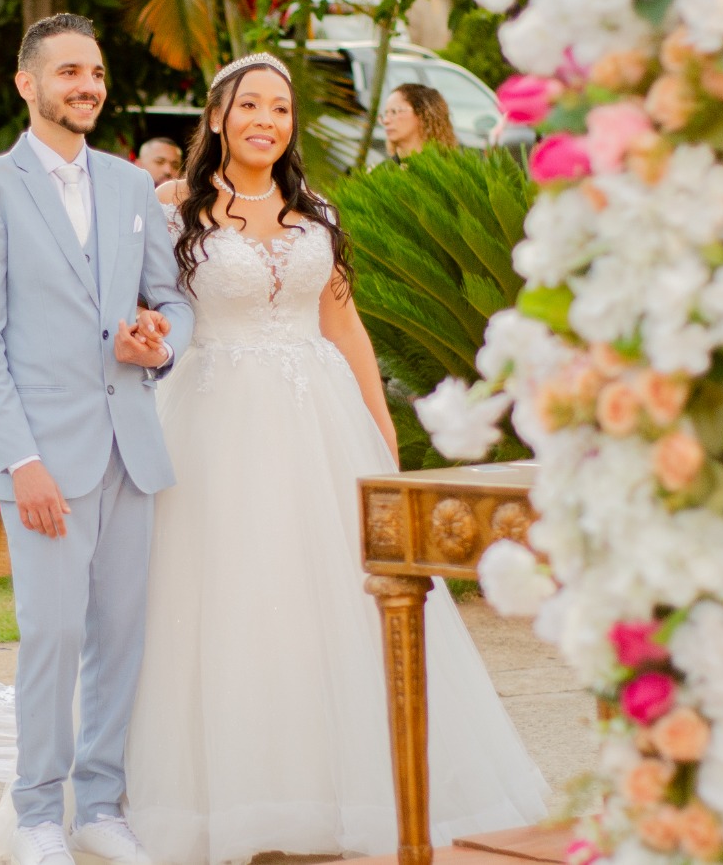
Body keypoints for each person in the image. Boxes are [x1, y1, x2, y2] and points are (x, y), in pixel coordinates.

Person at [115, 54, 547, 863]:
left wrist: (381, 427)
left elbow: (344, 326)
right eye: (250, 105)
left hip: (321, 419)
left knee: (337, 593)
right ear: (217, 118)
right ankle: (225, 796)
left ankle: (345, 786)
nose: (267, 121)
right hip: (215, 418)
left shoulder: (315, 208)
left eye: (280, 108)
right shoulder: (176, 210)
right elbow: (147, 307)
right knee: (226, 596)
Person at [0, 13, 193, 865]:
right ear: (28, 83)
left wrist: (158, 342)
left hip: (131, 445)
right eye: (68, 73)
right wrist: (22, 462)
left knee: (121, 634)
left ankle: (100, 804)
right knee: (51, 633)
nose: (86, 85)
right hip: (44, 456)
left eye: (94, 72)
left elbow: (173, 301)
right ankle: (38, 815)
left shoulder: (132, 187)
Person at [381, 82, 459, 160]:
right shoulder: (383, 170)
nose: (386, 121)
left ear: (423, 114)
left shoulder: (448, 168)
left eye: (394, 112)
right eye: (386, 114)